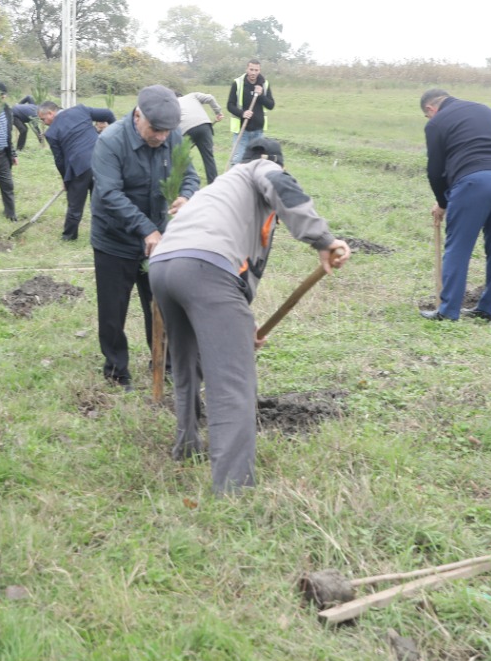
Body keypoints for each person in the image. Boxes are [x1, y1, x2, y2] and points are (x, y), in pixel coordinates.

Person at [149, 138, 351, 491]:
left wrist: (242, 325)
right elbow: (279, 185)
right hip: (203, 266)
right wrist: (323, 239)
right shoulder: (261, 167)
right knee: (232, 382)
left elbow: (235, 276)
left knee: (186, 363)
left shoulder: (218, 191)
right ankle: (233, 487)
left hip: (164, 266)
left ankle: (187, 447)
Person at [90, 85, 200, 388]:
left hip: (160, 242)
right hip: (115, 240)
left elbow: (190, 175)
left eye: (167, 131)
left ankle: (164, 363)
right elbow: (110, 194)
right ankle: (116, 371)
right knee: (113, 312)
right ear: (138, 115)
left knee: (162, 305)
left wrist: (187, 195)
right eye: (156, 129)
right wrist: (146, 229)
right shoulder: (110, 142)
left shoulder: (171, 136)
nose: (162, 137)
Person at [420, 89, 491, 321]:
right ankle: (489, 310)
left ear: (430, 109)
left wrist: (443, 203)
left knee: (458, 246)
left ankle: (448, 311)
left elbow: (435, 171)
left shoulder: (436, 123)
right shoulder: (485, 109)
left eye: (427, 116)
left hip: (474, 181)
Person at [37, 100, 117, 240]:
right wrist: (116, 134)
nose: (44, 123)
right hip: (101, 161)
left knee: (75, 205)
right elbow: (108, 114)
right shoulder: (80, 110)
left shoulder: (52, 133)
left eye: (43, 119)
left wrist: (66, 180)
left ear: (51, 113)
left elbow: (60, 161)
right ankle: (105, 234)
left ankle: (69, 236)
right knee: (100, 202)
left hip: (79, 168)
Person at [0, 89, 37, 222]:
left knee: (8, 186)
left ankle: (10, 215)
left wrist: (12, 153)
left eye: (4, 97)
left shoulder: (5, 111)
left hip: (2, 155)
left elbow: (7, 134)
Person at [226, 59, 276, 166]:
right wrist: (242, 113)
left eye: (256, 70)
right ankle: (234, 181)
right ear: (247, 69)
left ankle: (252, 182)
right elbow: (230, 105)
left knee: (256, 162)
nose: (253, 72)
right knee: (237, 160)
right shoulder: (238, 83)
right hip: (242, 129)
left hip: (258, 131)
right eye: (251, 69)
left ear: (259, 70)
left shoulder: (264, 84)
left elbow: (271, 105)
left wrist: (261, 95)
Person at [176, 90, 224, 183]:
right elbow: (210, 97)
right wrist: (218, 112)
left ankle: (186, 182)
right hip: (204, 126)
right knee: (208, 158)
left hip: (186, 130)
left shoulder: (173, 104)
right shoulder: (192, 95)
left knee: (182, 158)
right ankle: (213, 185)